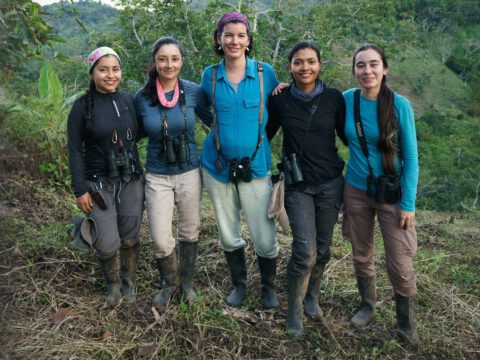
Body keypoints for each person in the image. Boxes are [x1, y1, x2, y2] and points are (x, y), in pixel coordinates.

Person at [200, 12, 280, 309]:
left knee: (263, 234)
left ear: (249, 40)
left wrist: (255, 143)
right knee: (228, 230)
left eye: (240, 35)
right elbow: (204, 111)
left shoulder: (264, 73)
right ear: (218, 40)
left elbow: (276, 113)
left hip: (256, 167)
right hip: (217, 166)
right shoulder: (209, 75)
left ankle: (268, 287)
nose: (234, 40)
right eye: (228, 35)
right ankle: (240, 284)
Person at [267, 42, 347, 336]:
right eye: (298, 62)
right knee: (305, 251)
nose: (305, 68)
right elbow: (266, 133)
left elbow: (347, 135)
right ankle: (295, 312)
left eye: (311, 62)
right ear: (290, 66)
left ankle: (312, 296)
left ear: (319, 65)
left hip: (330, 184)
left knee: (323, 249)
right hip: (297, 185)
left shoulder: (334, 98)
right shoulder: (280, 99)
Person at [342, 44, 419, 343]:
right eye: (360, 65)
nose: (367, 71)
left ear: (385, 68)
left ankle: (405, 320)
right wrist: (283, 87)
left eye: (374, 64)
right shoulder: (347, 100)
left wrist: (408, 204)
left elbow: (411, 158)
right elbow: (315, 96)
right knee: (362, 252)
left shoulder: (400, 105)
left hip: (393, 192)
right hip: (357, 189)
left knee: (400, 260)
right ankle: (367, 305)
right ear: (354, 71)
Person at [134, 37, 213, 306]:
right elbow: (132, 133)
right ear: (154, 62)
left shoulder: (193, 91)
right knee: (160, 238)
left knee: (190, 231)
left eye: (175, 59)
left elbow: (214, 121)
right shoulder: (142, 97)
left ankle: (187, 286)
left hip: (190, 171)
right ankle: (169, 283)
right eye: (163, 59)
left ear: (182, 61)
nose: (169, 65)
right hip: (157, 173)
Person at [67, 47, 144, 306]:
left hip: (130, 178)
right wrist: (80, 189)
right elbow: (75, 150)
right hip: (98, 183)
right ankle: (112, 284)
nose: (110, 75)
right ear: (91, 73)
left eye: (115, 69)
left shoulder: (128, 100)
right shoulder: (81, 108)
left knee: (130, 234)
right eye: (103, 69)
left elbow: (141, 132)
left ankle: (128, 282)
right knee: (108, 242)